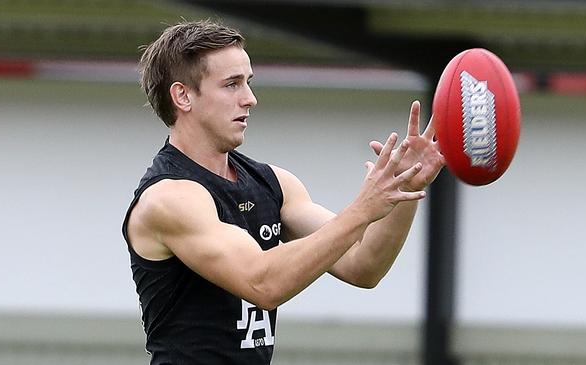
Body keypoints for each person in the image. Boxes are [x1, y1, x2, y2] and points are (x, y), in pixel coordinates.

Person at [122, 19, 445, 365]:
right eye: (232, 84)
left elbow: (363, 265)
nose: (250, 99)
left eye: (248, 82)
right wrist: (362, 210)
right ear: (183, 95)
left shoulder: (273, 183)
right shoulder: (168, 197)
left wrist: (405, 186)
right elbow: (263, 284)